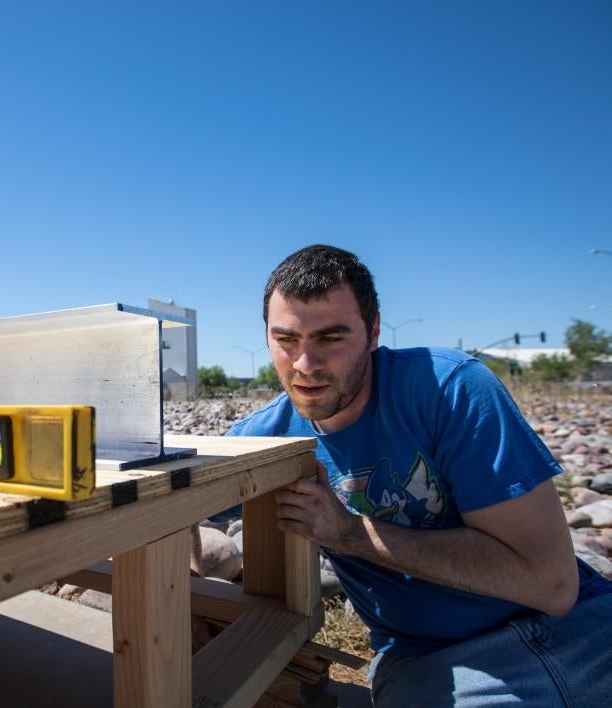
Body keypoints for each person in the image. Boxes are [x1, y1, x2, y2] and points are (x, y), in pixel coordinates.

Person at [226, 244, 612, 707]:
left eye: (331, 339)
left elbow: (551, 583)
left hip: (580, 633)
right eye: (286, 340)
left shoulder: (448, 389)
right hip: (436, 666)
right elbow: (182, 502)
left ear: (372, 332)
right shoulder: (261, 441)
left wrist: (350, 531)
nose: (305, 365)